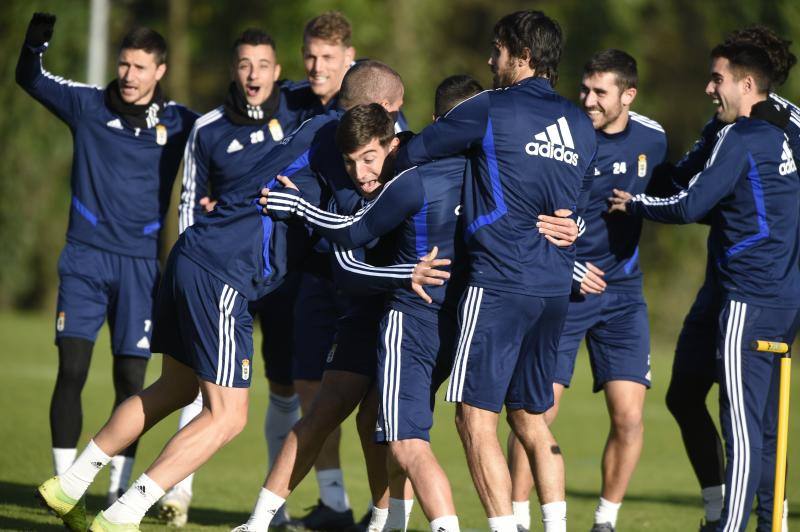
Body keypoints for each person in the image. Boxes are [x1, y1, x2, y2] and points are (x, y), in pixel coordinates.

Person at [395, 10, 596, 532]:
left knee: (472, 416)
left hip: (501, 283)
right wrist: (574, 222)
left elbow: (414, 151)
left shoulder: (489, 106)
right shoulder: (580, 122)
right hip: (555, 287)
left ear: (522, 55)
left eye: (498, 49)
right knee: (530, 418)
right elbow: (583, 199)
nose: (490, 60)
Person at [609, 39, 799, 532]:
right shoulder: (764, 133)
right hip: (777, 295)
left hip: (748, 296)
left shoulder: (748, 133)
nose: (709, 88)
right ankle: (767, 522)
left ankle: (729, 524)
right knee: (757, 422)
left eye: (717, 79)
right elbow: (707, 189)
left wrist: (633, 202)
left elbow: (691, 203)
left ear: (748, 82)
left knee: (744, 427)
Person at [16, 11, 196, 513]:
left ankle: (118, 487)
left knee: (132, 381)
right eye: (124, 64)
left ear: (160, 71)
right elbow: (30, 79)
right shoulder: (88, 104)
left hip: (141, 267)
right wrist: (34, 46)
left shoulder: (180, 122)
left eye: (140, 67)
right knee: (72, 368)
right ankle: (64, 487)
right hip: (85, 258)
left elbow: (224, 143)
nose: (129, 75)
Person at [157, 28, 313, 528]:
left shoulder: (299, 118)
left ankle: (275, 509)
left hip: (279, 281)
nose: (253, 74)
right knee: (205, 384)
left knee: (284, 388)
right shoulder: (208, 128)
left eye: (263, 65)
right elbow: (188, 204)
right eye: (245, 64)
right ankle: (176, 493)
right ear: (234, 69)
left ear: (277, 72)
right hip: (221, 275)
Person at [505, 49, 667, 532]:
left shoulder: (654, 137)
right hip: (563, 289)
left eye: (600, 92)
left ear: (628, 95)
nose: (589, 100)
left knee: (629, 417)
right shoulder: (565, 137)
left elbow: (677, 187)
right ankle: (515, 519)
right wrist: (572, 268)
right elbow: (529, 213)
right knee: (537, 412)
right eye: (585, 89)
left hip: (623, 294)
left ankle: (604, 521)